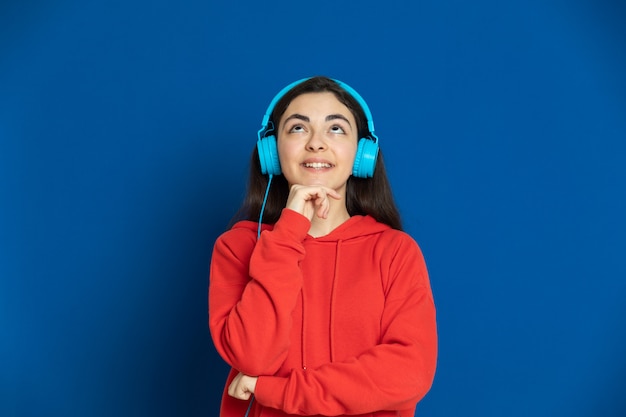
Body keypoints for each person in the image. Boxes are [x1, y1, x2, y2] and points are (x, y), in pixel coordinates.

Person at [208, 76, 437, 417]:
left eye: (336, 129)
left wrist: (276, 390)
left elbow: (409, 371)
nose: (316, 143)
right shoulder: (237, 247)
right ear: (271, 151)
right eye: (298, 128)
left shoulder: (395, 251)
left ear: (362, 153)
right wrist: (287, 234)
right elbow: (253, 356)